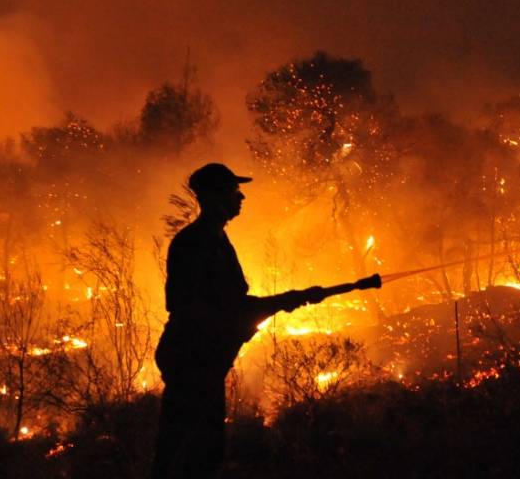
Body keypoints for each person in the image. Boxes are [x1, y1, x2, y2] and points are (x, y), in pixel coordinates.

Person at [151, 163, 380, 478]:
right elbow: (185, 306)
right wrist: (241, 321)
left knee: (201, 454)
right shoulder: (194, 243)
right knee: (184, 455)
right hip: (192, 362)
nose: (241, 196)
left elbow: (232, 304)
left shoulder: (217, 240)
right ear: (215, 196)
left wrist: (290, 299)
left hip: (204, 362)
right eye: (233, 190)